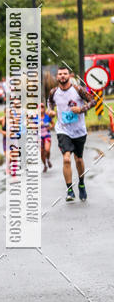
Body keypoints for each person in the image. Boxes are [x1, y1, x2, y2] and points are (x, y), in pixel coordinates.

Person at [47, 65, 94, 202]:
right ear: (57, 77)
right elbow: (50, 103)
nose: (62, 76)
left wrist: (81, 109)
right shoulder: (53, 92)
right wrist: (50, 111)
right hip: (63, 129)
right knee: (66, 158)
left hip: (79, 130)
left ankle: (81, 183)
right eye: (60, 74)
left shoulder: (78, 89)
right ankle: (69, 189)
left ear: (69, 76)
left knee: (78, 159)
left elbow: (93, 101)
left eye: (65, 74)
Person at [40, 102, 54, 172]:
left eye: (42, 107)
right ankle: (45, 165)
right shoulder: (35, 117)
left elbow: (53, 124)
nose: (41, 109)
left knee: (47, 150)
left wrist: (50, 127)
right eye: (39, 107)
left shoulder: (47, 116)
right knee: (42, 152)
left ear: (44, 108)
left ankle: (48, 160)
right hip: (39, 137)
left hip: (47, 135)